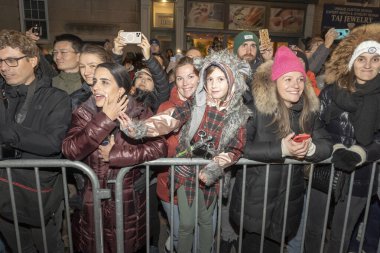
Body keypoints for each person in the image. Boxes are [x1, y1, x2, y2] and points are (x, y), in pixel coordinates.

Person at [118, 50, 252, 253]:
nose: (215, 84)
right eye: (210, 79)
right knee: (186, 224)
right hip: (184, 172)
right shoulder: (196, 103)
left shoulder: (237, 115)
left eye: (221, 79)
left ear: (232, 81)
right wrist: (141, 128)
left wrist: (216, 167)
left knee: (207, 222)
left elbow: (236, 148)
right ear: (204, 81)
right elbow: (171, 118)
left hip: (210, 175)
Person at [230, 46, 332, 253]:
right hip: (256, 200)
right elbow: (238, 146)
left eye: (300, 79)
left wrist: (311, 149)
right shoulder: (254, 110)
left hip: (288, 202)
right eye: (288, 79)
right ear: (275, 81)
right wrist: (281, 149)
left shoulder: (308, 111)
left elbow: (327, 145)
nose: (296, 85)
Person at [62, 62, 168, 253]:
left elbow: (159, 147)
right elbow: (70, 149)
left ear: (121, 90)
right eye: (95, 82)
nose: (95, 87)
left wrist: (117, 155)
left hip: (128, 202)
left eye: (104, 82)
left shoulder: (140, 111)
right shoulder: (84, 112)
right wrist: (105, 119)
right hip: (91, 202)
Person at [304, 23, 380, 253]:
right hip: (326, 167)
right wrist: (333, 147)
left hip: (361, 175)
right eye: (361, 59)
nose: (367, 65)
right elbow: (315, 124)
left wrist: (361, 153)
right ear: (351, 61)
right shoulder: (331, 90)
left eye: (374, 59)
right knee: (314, 230)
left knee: (341, 236)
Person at [0, 29, 72, 252]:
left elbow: (53, 143)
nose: (3, 68)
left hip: (40, 197)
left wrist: (6, 133)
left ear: (32, 60)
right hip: (3, 198)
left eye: (11, 60)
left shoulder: (57, 98)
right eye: (0, 61)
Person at [156, 56, 200, 251]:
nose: (185, 83)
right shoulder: (166, 108)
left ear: (200, 78)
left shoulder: (209, 106)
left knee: (200, 236)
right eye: (180, 78)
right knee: (179, 236)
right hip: (171, 187)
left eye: (191, 76)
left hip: (203, 187)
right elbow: (157, 145)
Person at [71, 43, 114, 110]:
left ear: (106, 65)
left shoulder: (120, 93)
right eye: (82, 67)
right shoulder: (75, 100)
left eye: (92, 66)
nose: (86, 72)